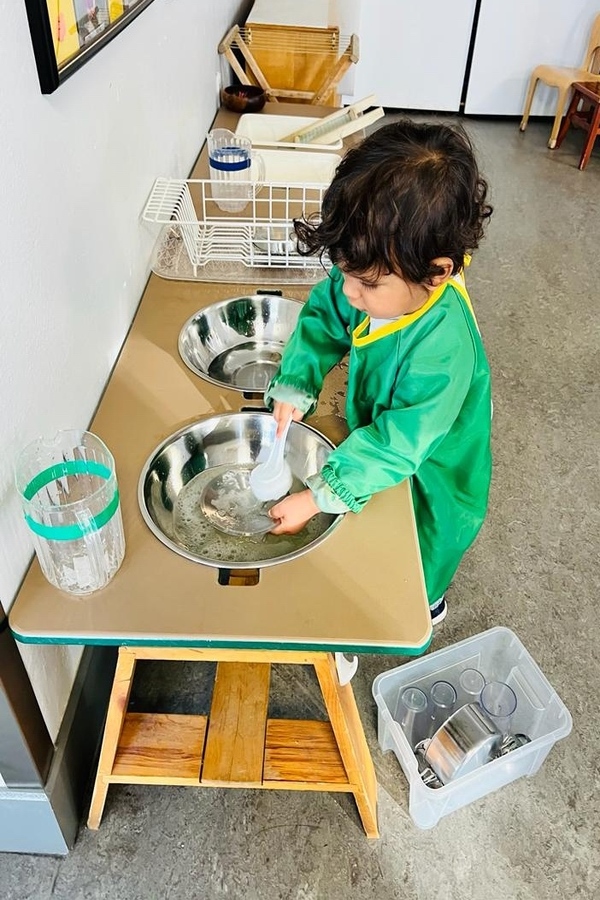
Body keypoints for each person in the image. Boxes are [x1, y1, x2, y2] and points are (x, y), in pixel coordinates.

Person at [264, 119, 493, 624]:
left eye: (364, 283)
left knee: (419, 553)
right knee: (373, 506)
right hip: (385, 434)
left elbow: (397, 442)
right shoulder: (378, 270)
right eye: (342, 269)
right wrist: (297, 381)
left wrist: (320, 494)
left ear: (437, 272)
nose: (349, 292)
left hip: (434, 467)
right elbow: (326, 315)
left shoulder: (444, 346)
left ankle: (425, 604)